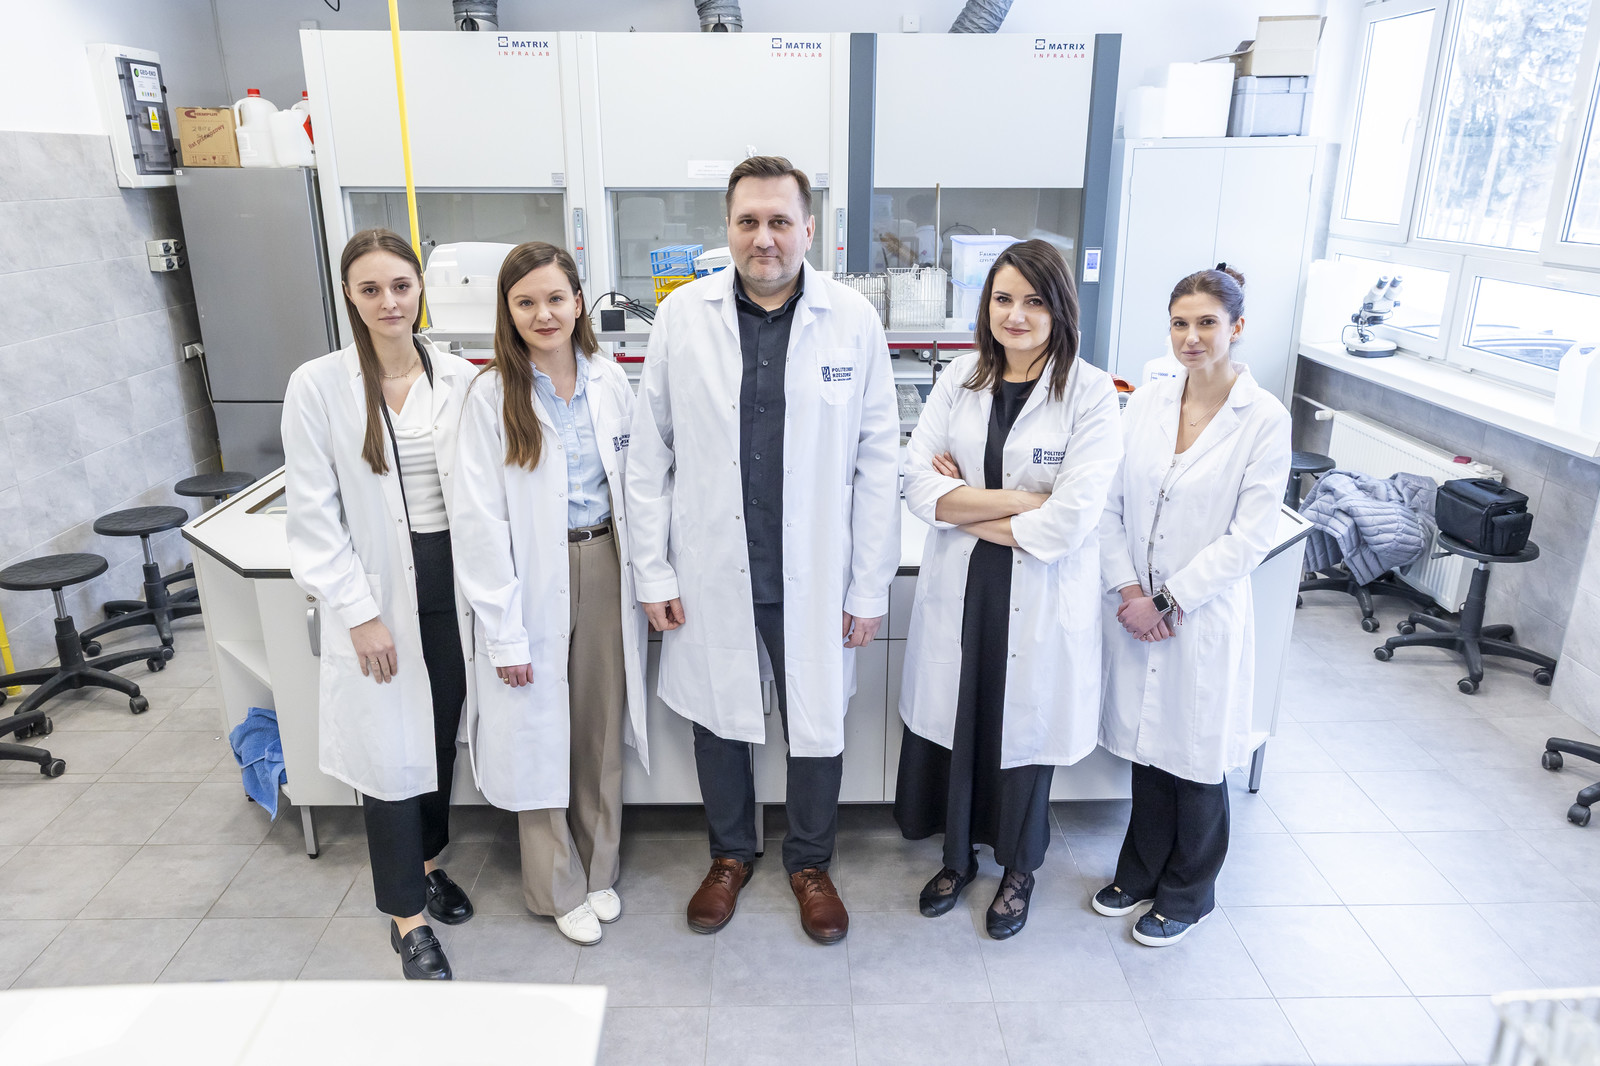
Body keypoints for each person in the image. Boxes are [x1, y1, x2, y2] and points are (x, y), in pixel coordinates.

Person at [626, 155, 899, 945]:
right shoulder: (683, 318)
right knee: (718, 718)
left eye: (780, 221)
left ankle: (810, 863)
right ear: (728, 228)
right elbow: (649, 456)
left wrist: (868, 587)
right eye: (748, 221)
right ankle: (730, 855)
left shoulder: (852, 320)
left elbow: (879, 459)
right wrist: (654, 570)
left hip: (812, 572)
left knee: (817, 719)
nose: (764, 238)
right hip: (712, 566)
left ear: (809, 229)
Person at [896, 240, 1122, 939]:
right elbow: (918, 486)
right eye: (1002, 299)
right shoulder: (959, 377)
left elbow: (1072, 519)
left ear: (1060, 308)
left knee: (1022, 734)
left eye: (1032, 300)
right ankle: (957, 859)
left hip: (1039, 592)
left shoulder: (1090, 393)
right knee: (965, 723)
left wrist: (965, 504)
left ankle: (1018, 871)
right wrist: (1023, 502)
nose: (1015, 315)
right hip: (966, 589)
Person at [282, 228, 477, 980]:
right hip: (376, 594)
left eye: (401, 285)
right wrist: (360, 614)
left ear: (421, 286)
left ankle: (425, 865)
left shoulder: (459, 377)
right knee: (387, 753)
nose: (389, 301)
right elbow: (312, 514)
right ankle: (406, 917)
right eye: (371, 289)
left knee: (436, 737)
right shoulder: (317, 385)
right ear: (349, 296)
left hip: (452, 589)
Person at [451, 242, 650, 946]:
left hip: (605, 562)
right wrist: (503, 630)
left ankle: (599, 869)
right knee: (537, 733)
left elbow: (639, 482)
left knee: (598, 728)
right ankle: (556, 885)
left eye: (556, 298)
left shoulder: (609, 379)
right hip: (529, 578)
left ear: (578, 301)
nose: (544, 313)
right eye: (526, 301)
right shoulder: (490, 395)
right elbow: (478, 523)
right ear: (507, 311)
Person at [1094, 265, 1292, 946]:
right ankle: (1140, 870)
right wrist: (1130, 591)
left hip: (1200, 613)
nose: (1191, 337)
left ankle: (1190, 892)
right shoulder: (1147, 402)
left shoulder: (1263, 419)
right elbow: (1111, 505)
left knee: (1198, 758)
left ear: (1238, 327)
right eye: (1180, 323)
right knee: (1149, 749)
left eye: (1207, 322)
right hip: (1136, 607)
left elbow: (1251, 537)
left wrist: (1168, 600)